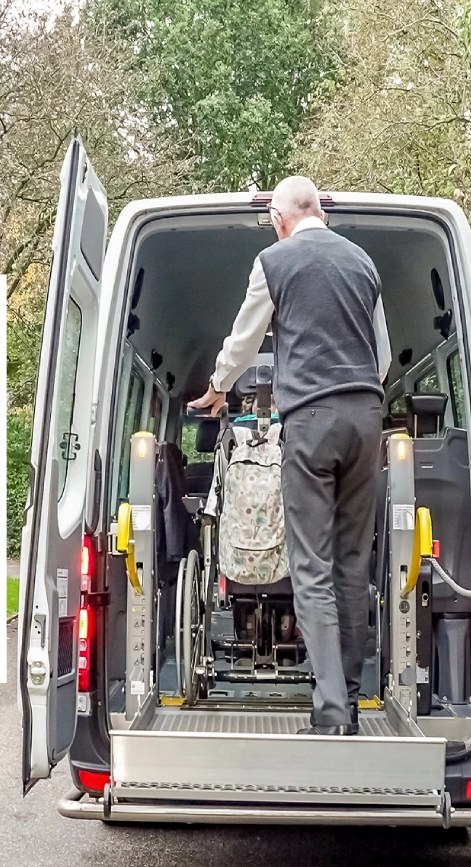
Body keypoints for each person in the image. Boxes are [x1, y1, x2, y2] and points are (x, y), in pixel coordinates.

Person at [188, 176, 390, 736]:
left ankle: (331, 717)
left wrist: (219, 385)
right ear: (320, 211)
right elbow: (383, 357)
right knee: (353, 565)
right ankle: (346, 701)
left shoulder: (275, 261)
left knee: (311, 566)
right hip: (365, 419)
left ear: (280, 217)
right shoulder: (364, 263)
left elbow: (246, 337)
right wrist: (360, 398)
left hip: (310, 421)